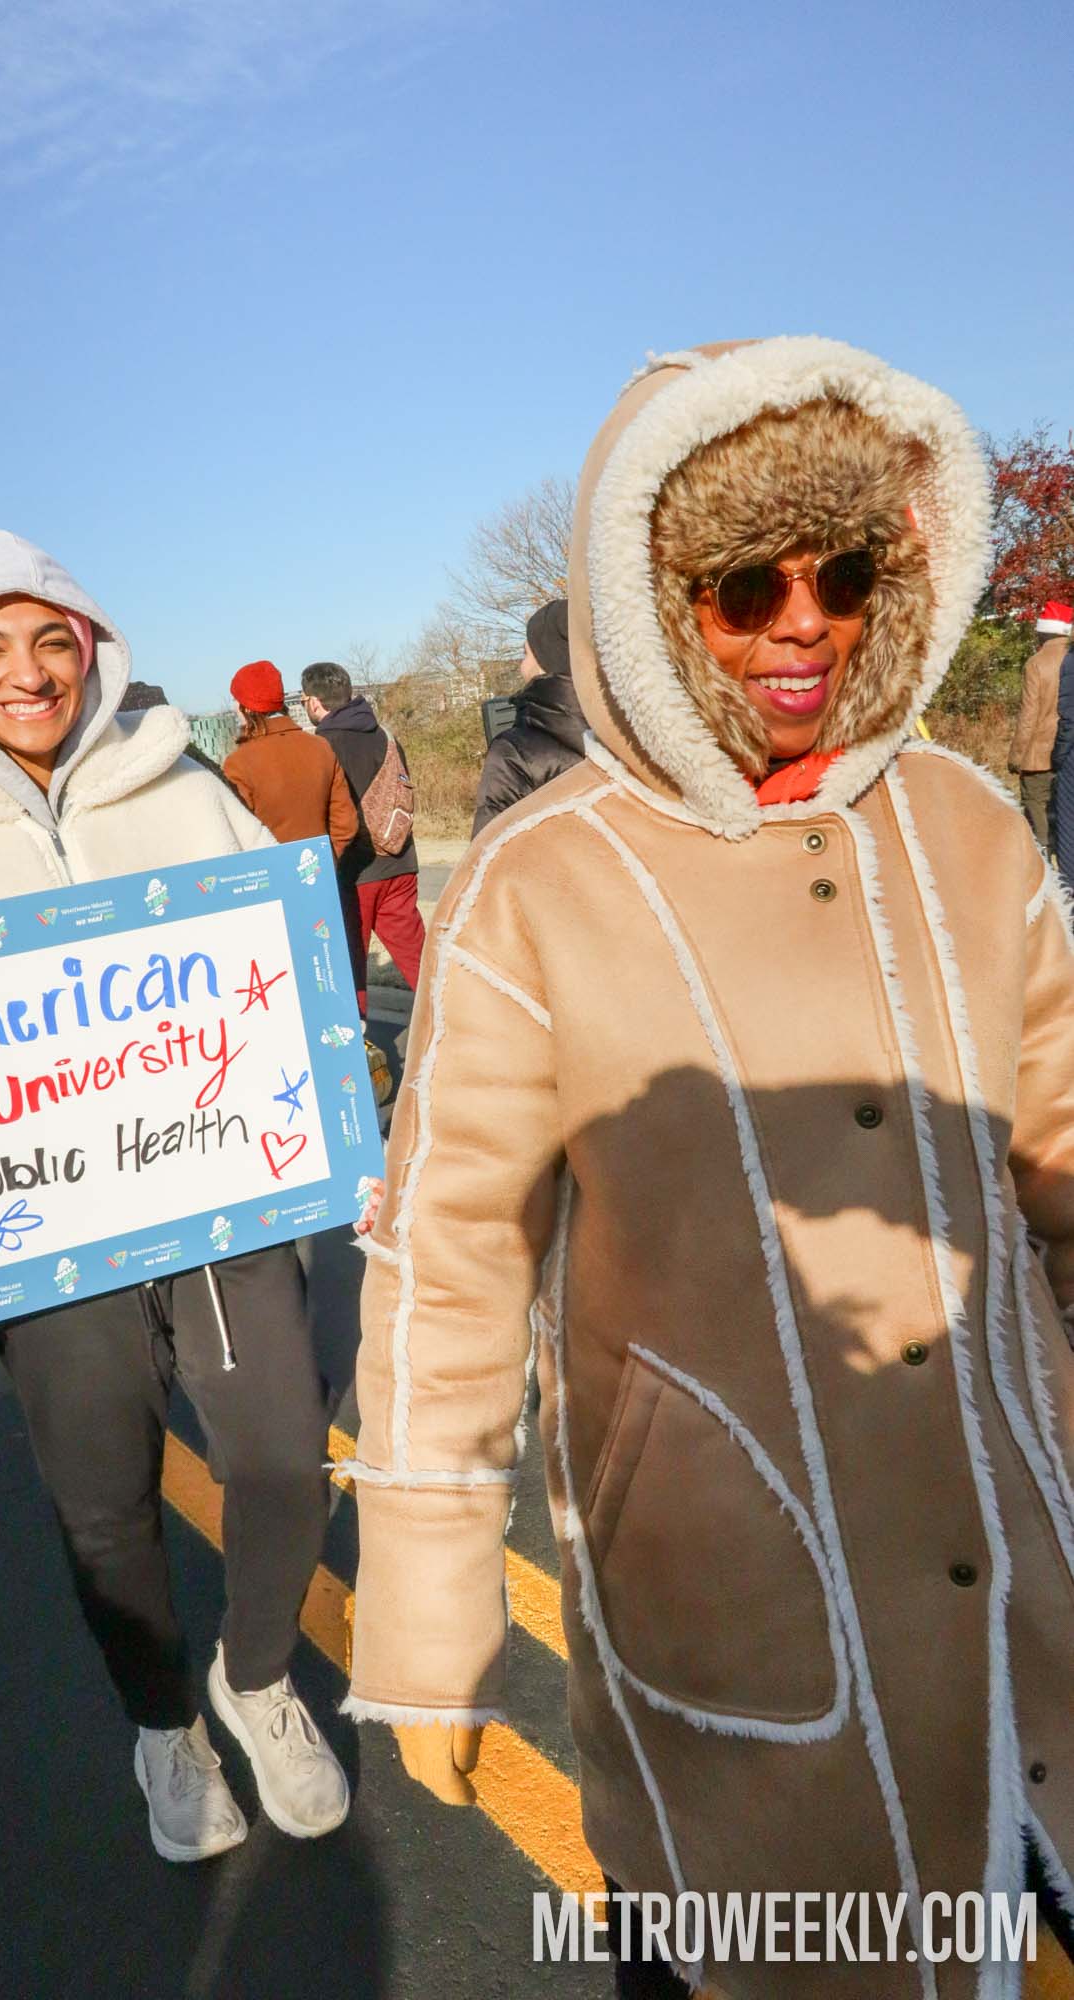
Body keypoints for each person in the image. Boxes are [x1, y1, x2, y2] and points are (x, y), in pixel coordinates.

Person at [344, 341, 1074, 1997]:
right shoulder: (540, 882)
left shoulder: (971, 828)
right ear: (649, 604)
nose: (803, 623)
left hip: (1028, 1569)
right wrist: (430, 1610)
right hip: (729, 1616)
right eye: (746, 586)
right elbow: (452, 1260)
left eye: (846, 573)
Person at [0, 530, 361, 1865]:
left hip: (218, 1214)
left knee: (282, 1459)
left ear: (92, 649)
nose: (27, 672)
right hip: (41, 1246)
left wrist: (350, 1147)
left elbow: (287, 977)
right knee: (106, 1509)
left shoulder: (183, 786)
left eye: (51, 640)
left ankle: (255, 1675)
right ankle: (163, 1724)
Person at [299, 663, 425, 1017]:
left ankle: (357, 1040)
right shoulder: (385, 735)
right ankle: (458, 1025)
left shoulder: (320, 747)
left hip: (355, 872)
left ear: (313, 702)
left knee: (350, 965)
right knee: (420, 959)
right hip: (400, 861)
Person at [472, 599, 587, 835]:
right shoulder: (633, 736)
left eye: (525, 653)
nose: (521, 666)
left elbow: (490, 849)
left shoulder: (514, 752)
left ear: (546, 660)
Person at [223, 658, 359, 855]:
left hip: (270, 871)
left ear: (248, 707)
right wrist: (325, 862)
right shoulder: (320, 747)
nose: (234, 707)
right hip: (318, 868)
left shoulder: (238, 764)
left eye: (236, 700)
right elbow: (345, 824)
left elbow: (237, 836)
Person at [1008, 599, 1071, 853]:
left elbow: (1029, 716)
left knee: (1036, 806)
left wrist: (1016, 756)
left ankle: (1045, 859)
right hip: (1068, 751)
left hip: (1039, 756)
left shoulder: (1036, 663)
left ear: (1044, 632)